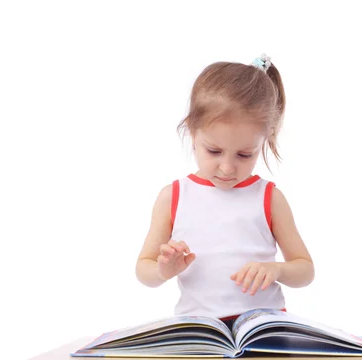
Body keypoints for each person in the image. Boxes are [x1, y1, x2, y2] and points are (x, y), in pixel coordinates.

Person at [135, 54, 314, 329]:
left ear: (263, 141)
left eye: (245, 154)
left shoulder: (269, 198)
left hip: (262, 328)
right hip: (199, 330)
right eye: (214, 151)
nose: (228, 168)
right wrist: (163, 270)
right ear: (192, 133)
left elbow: (305, 270)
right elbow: (143, 269)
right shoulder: (173, 196)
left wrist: (276, 269)